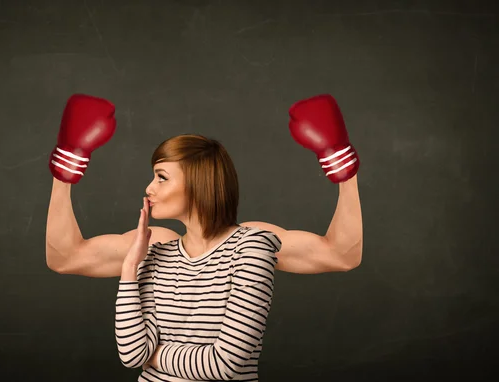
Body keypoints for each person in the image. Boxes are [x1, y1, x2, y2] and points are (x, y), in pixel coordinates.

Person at [45, 93, 363, 380]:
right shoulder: (154, 245)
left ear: (197, 183)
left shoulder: (251, 244)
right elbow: (65, 258)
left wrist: (342, 165)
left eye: (161, 177)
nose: (148, 188)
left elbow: (341, 254)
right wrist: (66, 166)